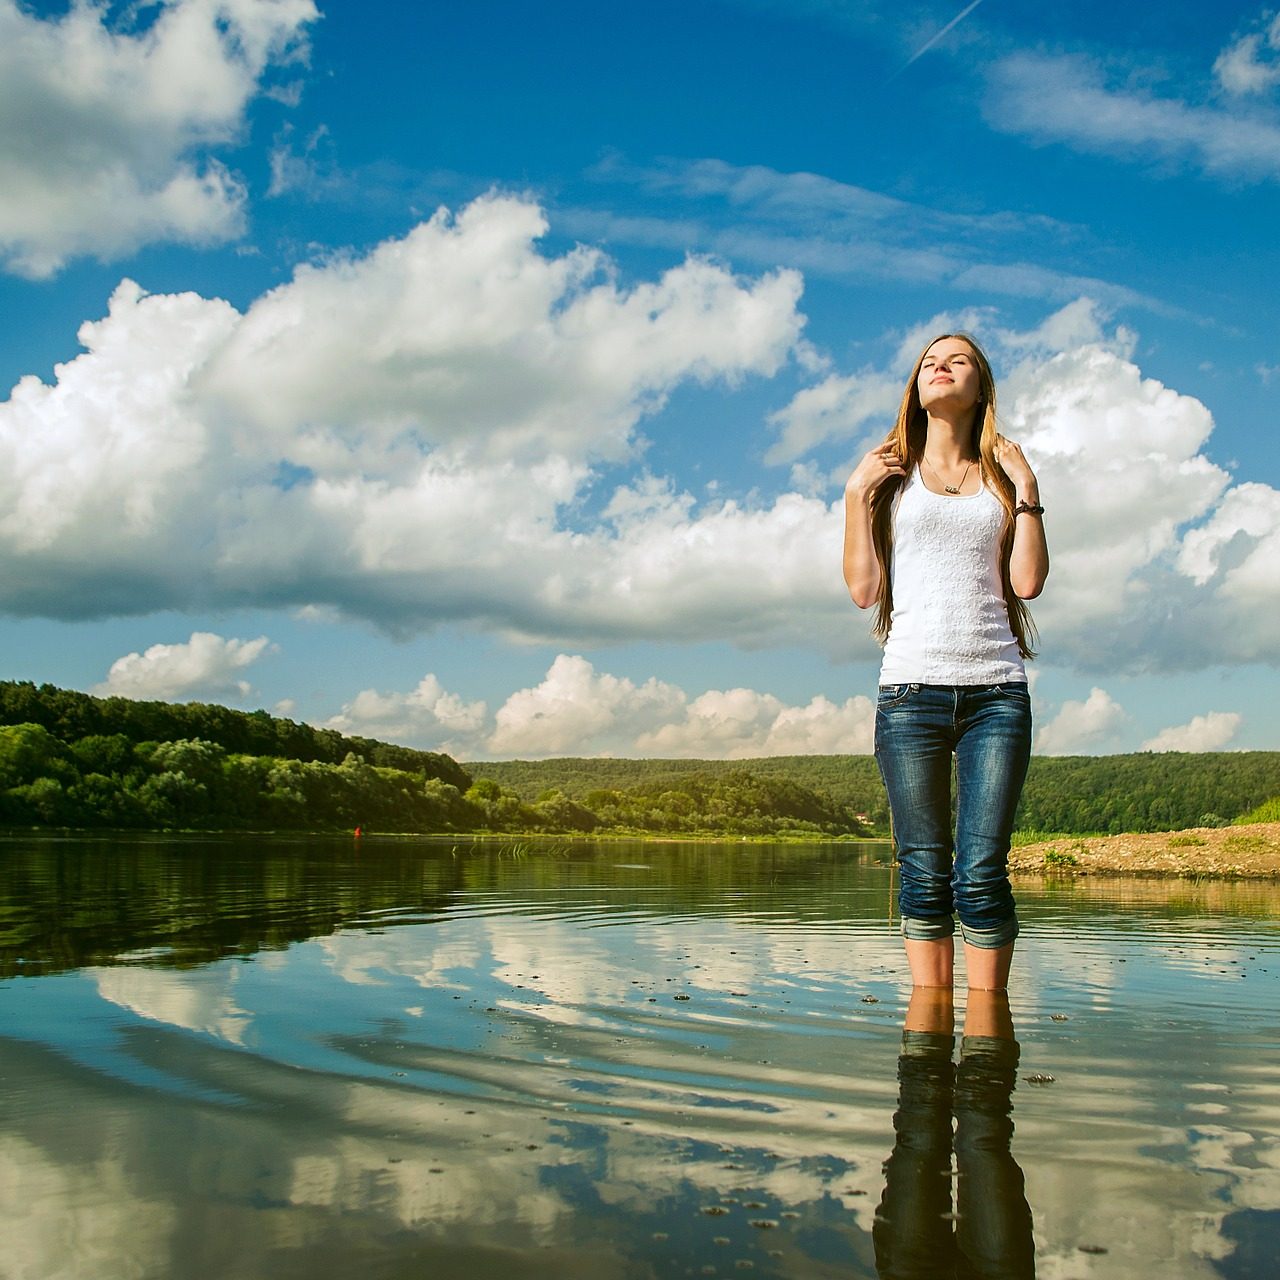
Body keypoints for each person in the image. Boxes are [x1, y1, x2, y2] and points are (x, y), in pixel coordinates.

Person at [843, 333, 1048, 991]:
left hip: (997, 695)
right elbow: (864, 590)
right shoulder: (888, 481)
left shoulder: (1003, 478)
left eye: (957, 360)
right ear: (916, 386)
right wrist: (854, 494)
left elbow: (1027, 583)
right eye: (930, 361)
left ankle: (989, 1027)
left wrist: (1027, 487)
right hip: (910, 694)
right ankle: (928, 1024)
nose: (941, 366)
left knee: (982, 871)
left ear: (979, 386)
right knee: (924, 870)